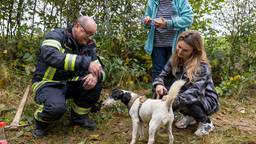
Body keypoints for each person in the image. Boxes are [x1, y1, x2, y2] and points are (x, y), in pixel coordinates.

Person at [31, 16, 106, 138]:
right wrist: (85, 64)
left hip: (71, 82)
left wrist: (96, 76)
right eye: (88, 33)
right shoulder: (57, 35)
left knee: (96, 84)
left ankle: (78, 117)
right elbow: (50, 55)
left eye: (92, 35)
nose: (90, 38)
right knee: (56, 108)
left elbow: (102, 70)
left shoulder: (88, 45)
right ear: (77, 26)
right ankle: (39, 122)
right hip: (48, 82)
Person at [153, 30, 219, 136]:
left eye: (185, 50)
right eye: (179, 46)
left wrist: (175, 99)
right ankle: (189, 116)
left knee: (185, 100)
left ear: (194, 51)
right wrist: (159, 84)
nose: (179, 51)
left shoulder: (201, 66)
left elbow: (196, 92)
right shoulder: (175, 59)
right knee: (166, 93)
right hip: (186, 95)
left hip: (206, 99)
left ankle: (205, 122)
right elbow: (163, 76)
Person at [142, 0, 194, 94]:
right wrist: (146, 21)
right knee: (158, 74)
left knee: (175, 74)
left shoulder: (181, 1)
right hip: (157, 44)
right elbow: (147, 23)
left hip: (177, 46)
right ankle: (156, 104)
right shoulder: (152, 2)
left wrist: (168, 23)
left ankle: (172, 104)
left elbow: (188, 19)